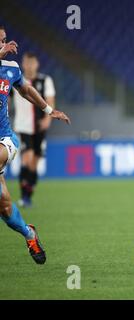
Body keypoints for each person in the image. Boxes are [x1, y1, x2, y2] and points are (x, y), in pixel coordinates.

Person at [0, 26, 71, 264]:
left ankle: (28, 192)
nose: (4, 45)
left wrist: (50, 111)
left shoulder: (10, 69)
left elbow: (27, 90)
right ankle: (29, 234)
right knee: (6, 209)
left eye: (4, 40)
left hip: (5, 140)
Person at [11, 52, 56, 207]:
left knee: (34, 163)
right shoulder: (16, 80)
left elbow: (50, 100)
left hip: (39, 128)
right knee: (27, 157)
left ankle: (28, 195)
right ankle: (23, 196)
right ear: (23, 64)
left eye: (32, 62)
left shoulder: (45, 80)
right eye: (27, 62)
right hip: (23, 126)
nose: (29, 65)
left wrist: (47, 119)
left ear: (37, 64)